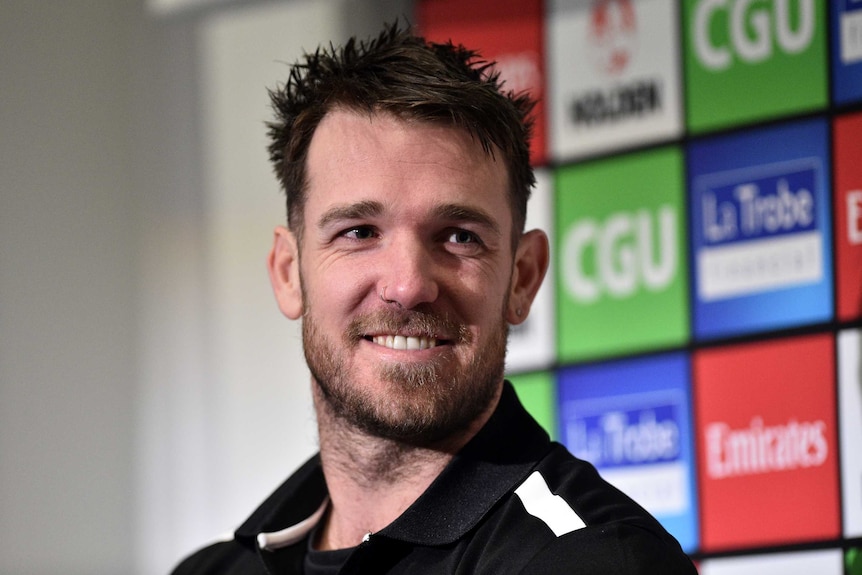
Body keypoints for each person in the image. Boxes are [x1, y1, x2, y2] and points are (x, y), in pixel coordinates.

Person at [172, 22, 698, 575]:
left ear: (522, 279)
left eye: (459, 236)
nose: (408, 285)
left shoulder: (592, 561)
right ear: (288, 272)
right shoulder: (211, 571)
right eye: (359, 231)